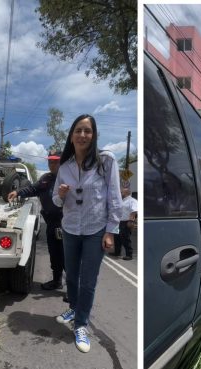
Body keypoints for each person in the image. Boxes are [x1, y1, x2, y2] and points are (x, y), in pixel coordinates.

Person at [52, 114, 121, 353]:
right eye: (78, 130)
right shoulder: (65, 166)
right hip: (70, 228)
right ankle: (74, 307)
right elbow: (55, 201)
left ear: (94, 135)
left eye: (87, 131)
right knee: (71, 275)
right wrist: (60, 195)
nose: (82, 135)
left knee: (88, 281)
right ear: (71, 136)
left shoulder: (106, 160)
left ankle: (81, 324)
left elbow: (114, 197)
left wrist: (111, 231)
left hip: (95, 229)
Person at [7, 150, 65, 291]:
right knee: (54, 254)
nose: (52, 164)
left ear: (62, 162)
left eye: (55, 161)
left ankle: (73, 290)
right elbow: (33, 189)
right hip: (51, 224)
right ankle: (57, 281)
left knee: (68, 257)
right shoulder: (46, 178)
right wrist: (18, 192)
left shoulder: (69, 179)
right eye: (50, 161)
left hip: (65, 224)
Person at [110, 185, 137, 260]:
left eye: (121, 192)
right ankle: (117, 252)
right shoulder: (122, 200)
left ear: (126, 193)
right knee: (117, 238)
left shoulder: (132, 201)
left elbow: (134, 211)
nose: (120, 193)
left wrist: (131, 221)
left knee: (125, 238)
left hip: (126, 222)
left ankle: (129, 254)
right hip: (118, 222)